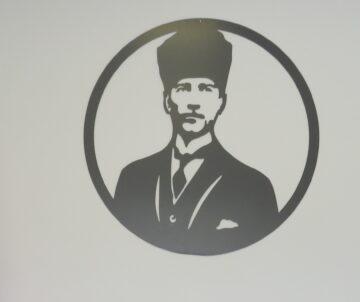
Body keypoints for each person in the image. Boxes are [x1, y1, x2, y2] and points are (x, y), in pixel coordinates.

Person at [113, 20, 279, 255]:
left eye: (205, 89)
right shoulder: (132, 178)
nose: (193, 102)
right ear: (167, 101)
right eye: (183, 88)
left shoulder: (254, 187)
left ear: (222, 102)